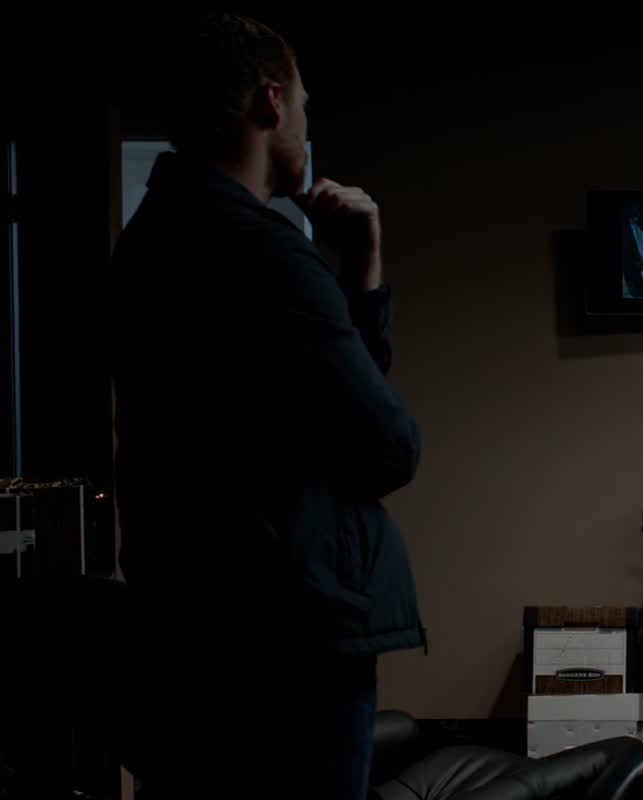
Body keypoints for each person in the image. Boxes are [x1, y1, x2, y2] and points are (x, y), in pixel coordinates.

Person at [110, 14, 423, 798]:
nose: (305, 126)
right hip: (291, 646)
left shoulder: (150, 239)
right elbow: (389, 446)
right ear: (271, 102)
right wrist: (353, 269)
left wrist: (362, 266)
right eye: (305, 107)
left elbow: (333, 401)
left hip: (190, 628)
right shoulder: (263, 251)